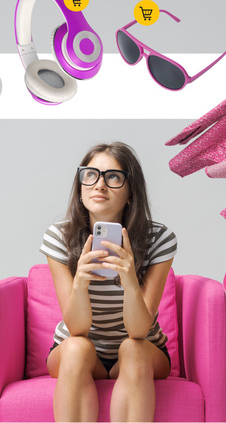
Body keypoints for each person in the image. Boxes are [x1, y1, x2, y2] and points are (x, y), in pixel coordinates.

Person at [39, 142, 177, 422]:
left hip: (143, 346)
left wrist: (130, 281)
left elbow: (138, 331)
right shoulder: (59, 237)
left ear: (131, 193)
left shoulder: (159, 239)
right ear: (80, 189)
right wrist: (80, 284)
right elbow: (77, 329)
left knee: (132, 349)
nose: (99, 185)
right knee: (77, 348)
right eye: (91, 175)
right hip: (79, 347)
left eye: (113, 177)